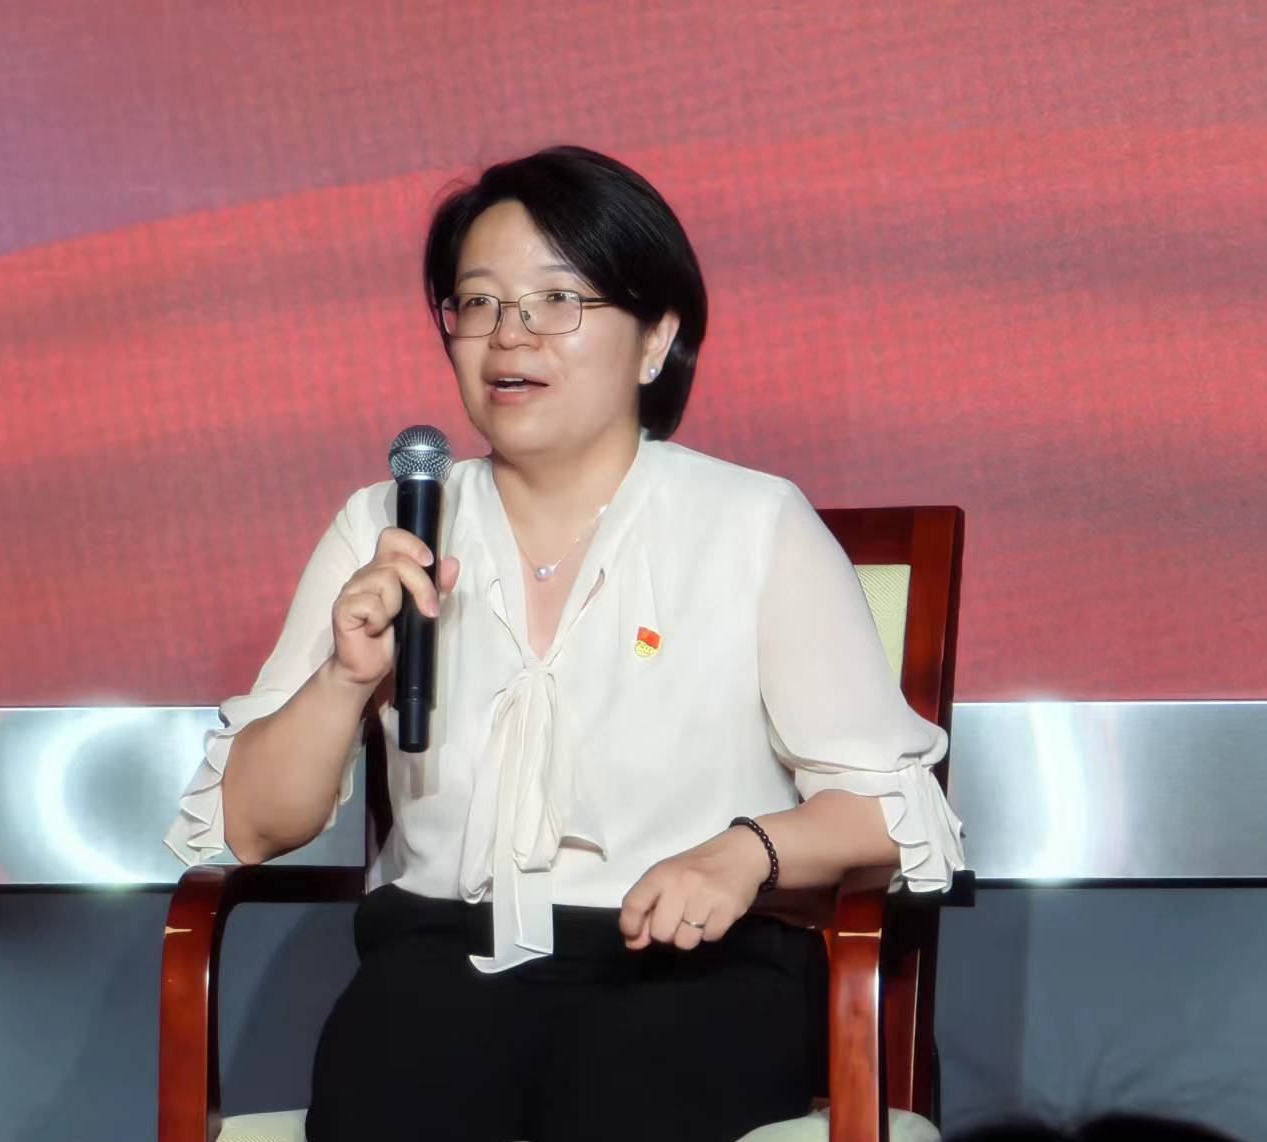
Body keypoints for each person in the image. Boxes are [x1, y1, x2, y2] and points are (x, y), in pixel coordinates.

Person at [165, 145, 964, 1142]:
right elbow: (252, 826)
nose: (510, 335)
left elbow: (890, 809)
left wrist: (745, 852)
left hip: (686, 969)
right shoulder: (386, 523)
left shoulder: (752, 523)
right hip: (436, 968)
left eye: (557, 300)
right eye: (479, 302)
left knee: (630, 1089)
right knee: (400, 1062)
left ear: (655, 338)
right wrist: (342, 677)